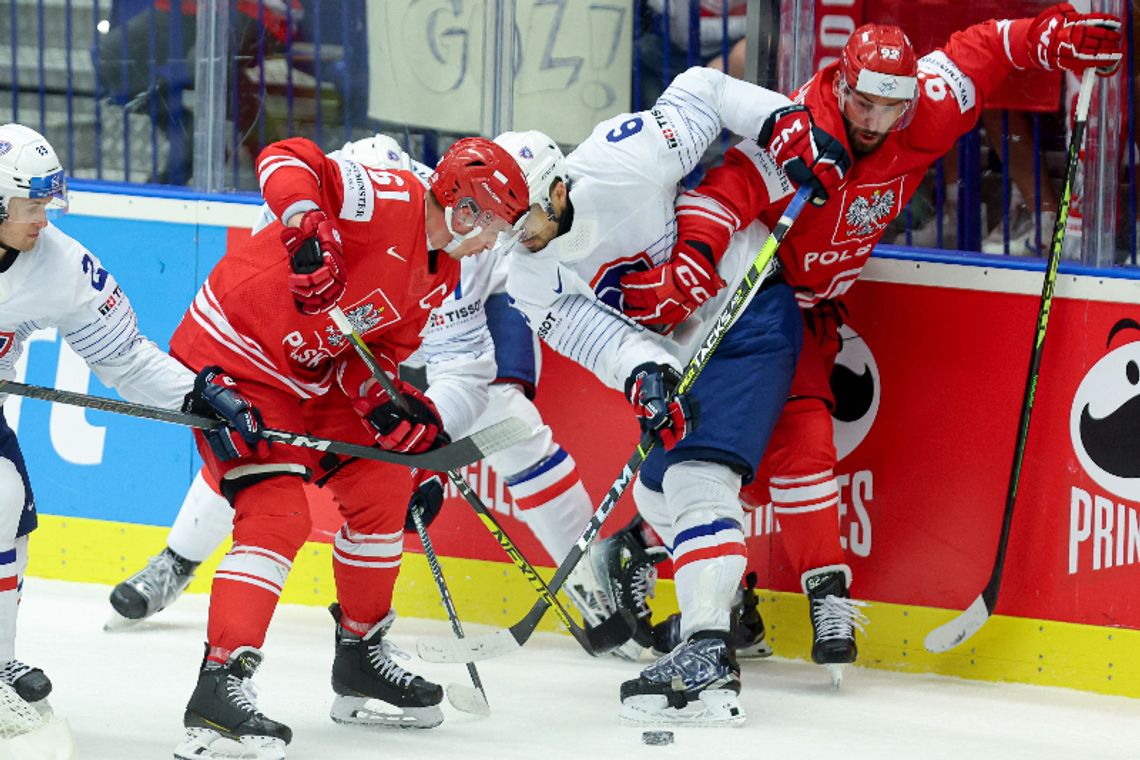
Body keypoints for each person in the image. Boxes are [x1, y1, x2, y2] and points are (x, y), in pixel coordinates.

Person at [618, 2, 1122, 689]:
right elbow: (723, 191)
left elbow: (985, 45)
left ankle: (651, 553)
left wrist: (1052, 36)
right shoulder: (798, 128)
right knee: (796, 437)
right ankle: (819, 596)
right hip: (755, 300)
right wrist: (696, 262)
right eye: (861, 102)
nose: (873, 121)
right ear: (841, 82)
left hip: (814, 310)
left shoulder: (926, 110)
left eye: (890, 107)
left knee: (756, 454)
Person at [108, 131, 635, 657]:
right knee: (267, 427)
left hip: (442, 320)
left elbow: (463, 372)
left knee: (506, 416)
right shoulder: (317, 204)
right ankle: (177, 560)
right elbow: (287, 185)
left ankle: (585, 585)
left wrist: (426, 454)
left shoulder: (458, 245)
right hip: (346, 336)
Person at [167, 133, 530, 758]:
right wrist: (307, 223)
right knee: (278, 512)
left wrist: (389, 407)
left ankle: (359, 656)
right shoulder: (386, 197)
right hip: (234, 359)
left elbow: (374, 353)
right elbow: (286, 155)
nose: (495, 241)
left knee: (385, 485)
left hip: (311, 375)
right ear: (466, 208)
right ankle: (219, 687)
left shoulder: (441, 273)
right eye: (494, 223)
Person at [501, 65, 811, 725]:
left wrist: (780, 120)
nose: (514, 234)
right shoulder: (525, 270)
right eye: (503, 221)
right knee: (653, 491)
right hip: (685, 353)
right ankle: (730, 615)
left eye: (521, 216)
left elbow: (703, 87)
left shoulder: (623, 159)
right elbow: (590, 332)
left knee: (698, 479)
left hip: (745, 314)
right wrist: (642, 371)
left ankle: (707, 656)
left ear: (556, 188)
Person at [0, 123, 261, 725]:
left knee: (7, 516)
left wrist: (198, 394)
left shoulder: (61, 266)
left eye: (48, 202)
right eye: (31, 205)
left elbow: (124, 358)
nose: (45, 217)